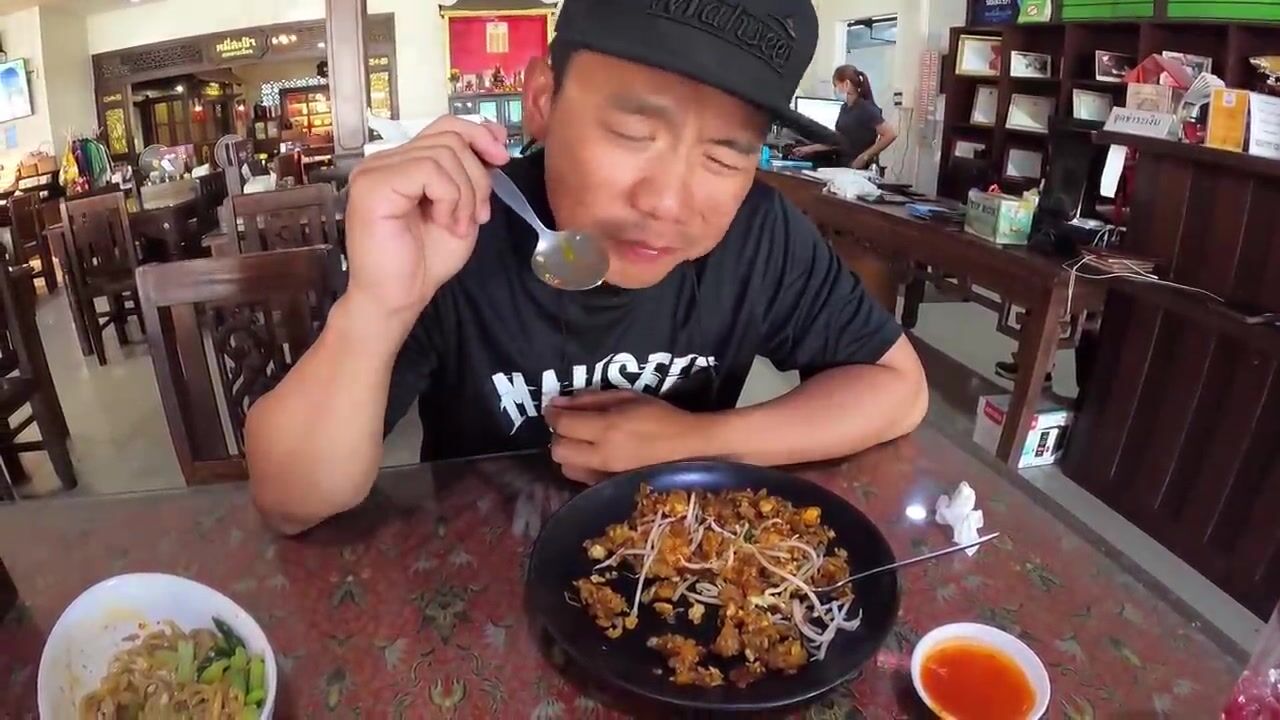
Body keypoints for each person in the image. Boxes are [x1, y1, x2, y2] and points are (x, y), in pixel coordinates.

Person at [244, 0, 928, 535]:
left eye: (724, 156)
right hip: (476, 578)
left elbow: (899, 390)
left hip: (670, 569)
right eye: (633, 134)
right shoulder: (455, 229)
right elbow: (290, 500)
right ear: (543, 100)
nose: (667, 203)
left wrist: (694, 441)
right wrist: (378, 303)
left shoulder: (759, 233)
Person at [793, 65, 898, 170]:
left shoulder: (866, 109)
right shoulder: (845, 108)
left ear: (846, 84)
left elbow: (890, 134)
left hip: (856, 169)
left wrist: (863, 158)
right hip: (841, 165)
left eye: (836, 85)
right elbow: (839, 141)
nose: (835, 90)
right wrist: (809, 149)